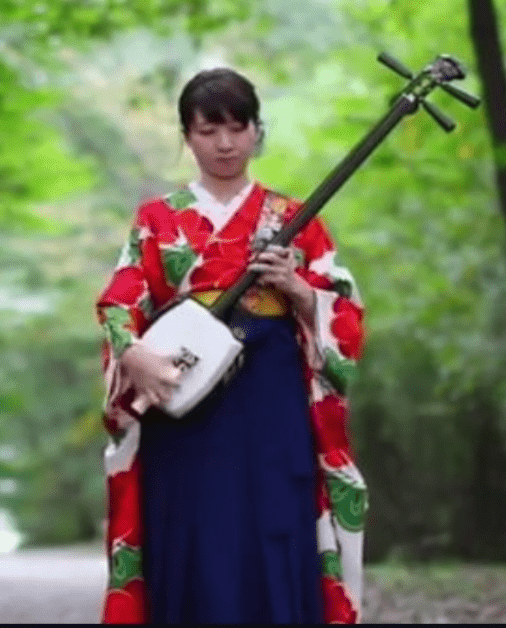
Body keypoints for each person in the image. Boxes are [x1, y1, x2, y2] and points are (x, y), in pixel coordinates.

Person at [95, 68, 368, 623]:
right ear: (187, 136)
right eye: (206, 130)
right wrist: (134, 354)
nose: (224, 144)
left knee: (276, 519)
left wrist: (296, 289)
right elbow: (120, 300)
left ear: (255, 132)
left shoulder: (295, 218)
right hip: (185, 392)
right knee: (191, 527)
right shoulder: (157, 218)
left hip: (271, 388)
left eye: (237, 128)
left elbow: (342, 308)